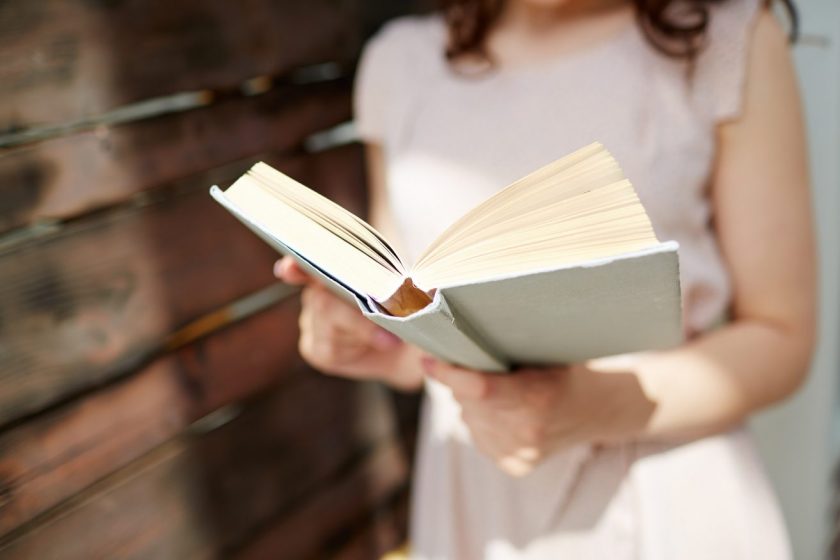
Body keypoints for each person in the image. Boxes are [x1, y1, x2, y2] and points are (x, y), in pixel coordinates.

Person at [275, 0, 816, 557]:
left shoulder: (728, 41)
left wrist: (596, 406)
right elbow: (424, 328)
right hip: (474, 506)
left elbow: (783, 336)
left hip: (664, 496)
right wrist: (375, 345)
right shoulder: (400, 63)